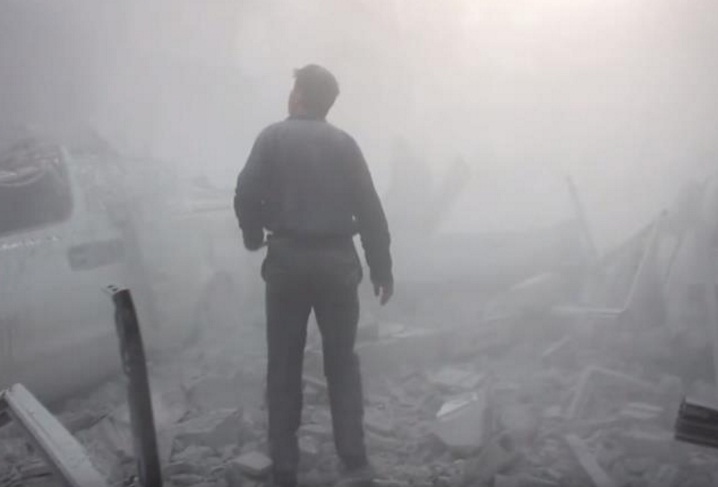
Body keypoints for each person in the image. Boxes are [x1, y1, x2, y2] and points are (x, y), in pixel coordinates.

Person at [234, 64, 393, 487]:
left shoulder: (272, 138)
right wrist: (382, 269)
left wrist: (253, 236)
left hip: (286, 263)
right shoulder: (345, 144)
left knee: (283, 364)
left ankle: (285, 466)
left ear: (300, 97)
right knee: (342, 362)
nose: (290, 96)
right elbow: (371, 211)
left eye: (294, 90)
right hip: (337, 264)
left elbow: (245, 193)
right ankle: (354, 459)